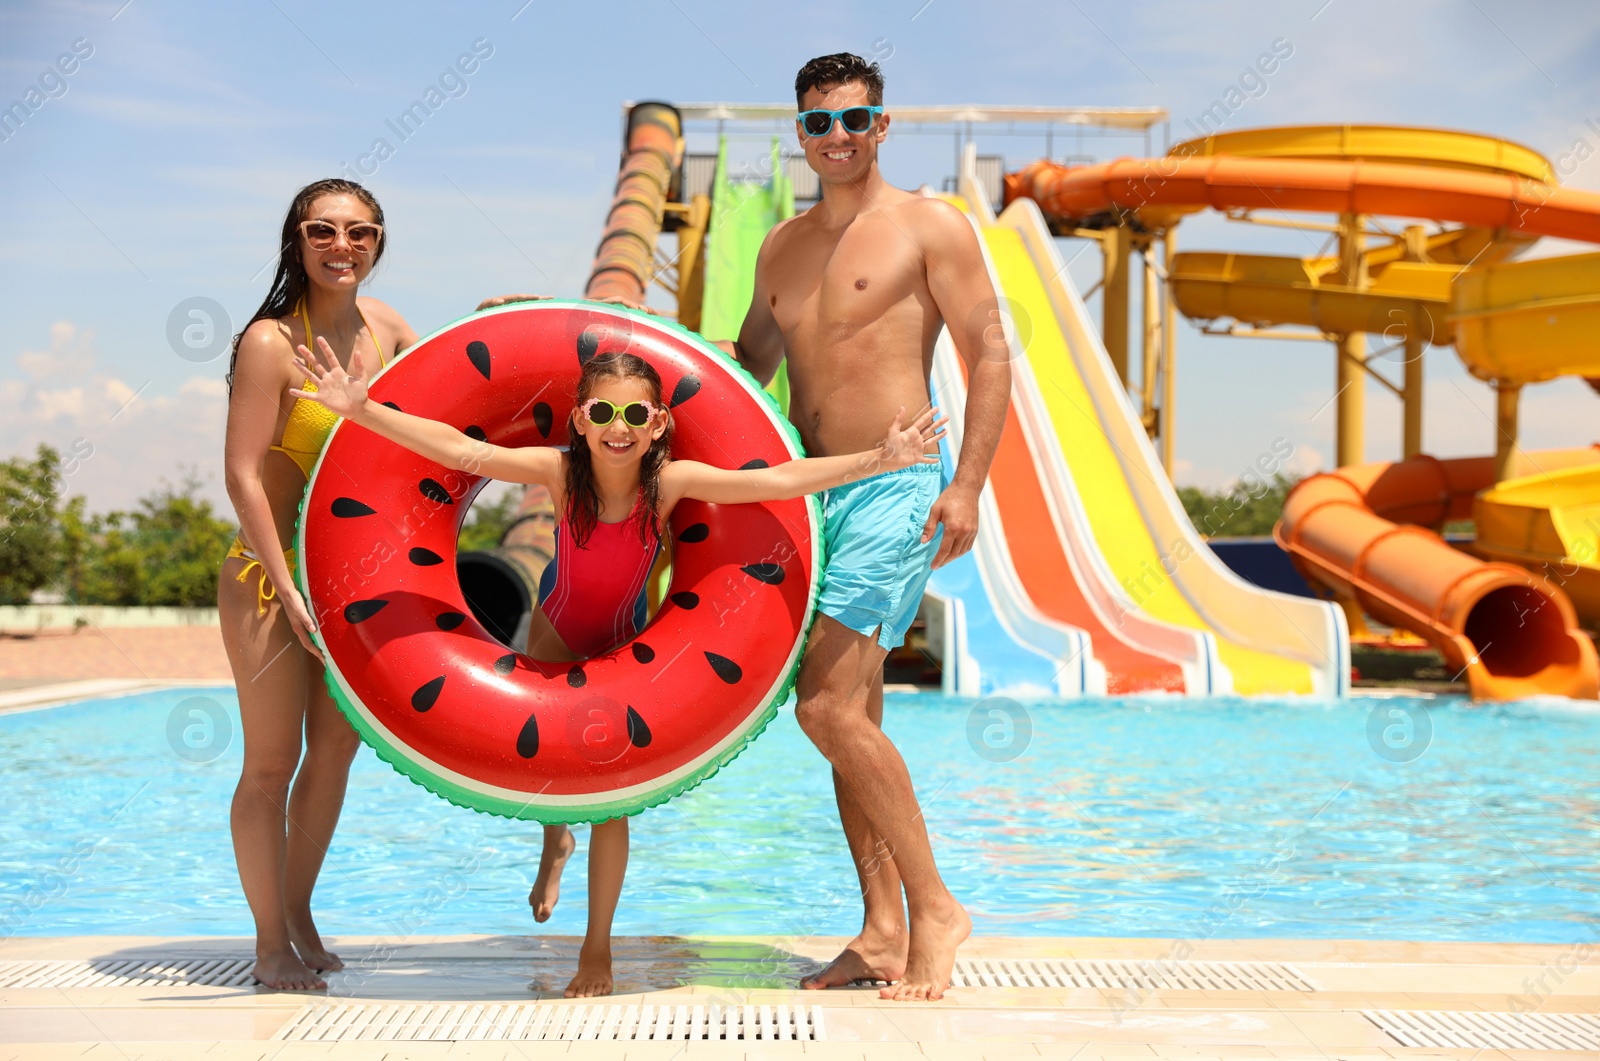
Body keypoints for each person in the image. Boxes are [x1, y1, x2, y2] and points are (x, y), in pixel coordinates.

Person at [288, 344, 946, 998]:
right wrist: (363, 408)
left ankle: (595, 948)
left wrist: (878, 461)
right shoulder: (557, 470)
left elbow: (773, 482)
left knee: (608, 806)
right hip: (551, 636)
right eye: (601, 411)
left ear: (659, 422)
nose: (618, 426)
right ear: (578, 418)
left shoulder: (668, 485)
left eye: (635, 413)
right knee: (543, 758)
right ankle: (553, 842)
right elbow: (465, 453)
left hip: (619, 652)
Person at [713, 53, 1012, 1001]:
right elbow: (745, 365)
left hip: (896, 481)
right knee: (858, 717)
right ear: (798, 133)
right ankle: (882, 927)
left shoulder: (928, 226)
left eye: (854, 119)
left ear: (883, 125)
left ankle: (934, 907)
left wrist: (965, 484)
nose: (836, 137)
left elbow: (991, 351)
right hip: (811, 491)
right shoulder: (780, 249)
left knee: (825, 707)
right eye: (818, 124)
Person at [219, 178, 418, 990]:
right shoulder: (271, 342)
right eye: (323, 230)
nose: (343, 245)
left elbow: (439, 425)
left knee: (335, 747)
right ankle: (269, 942)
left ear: (378, 243)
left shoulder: (392, 329)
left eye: (361, 232)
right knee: (272, 763)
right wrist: (287, 584)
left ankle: (297, 906)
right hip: (269, 579)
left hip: (353, 582)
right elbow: (240, 475)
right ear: (296, 241)